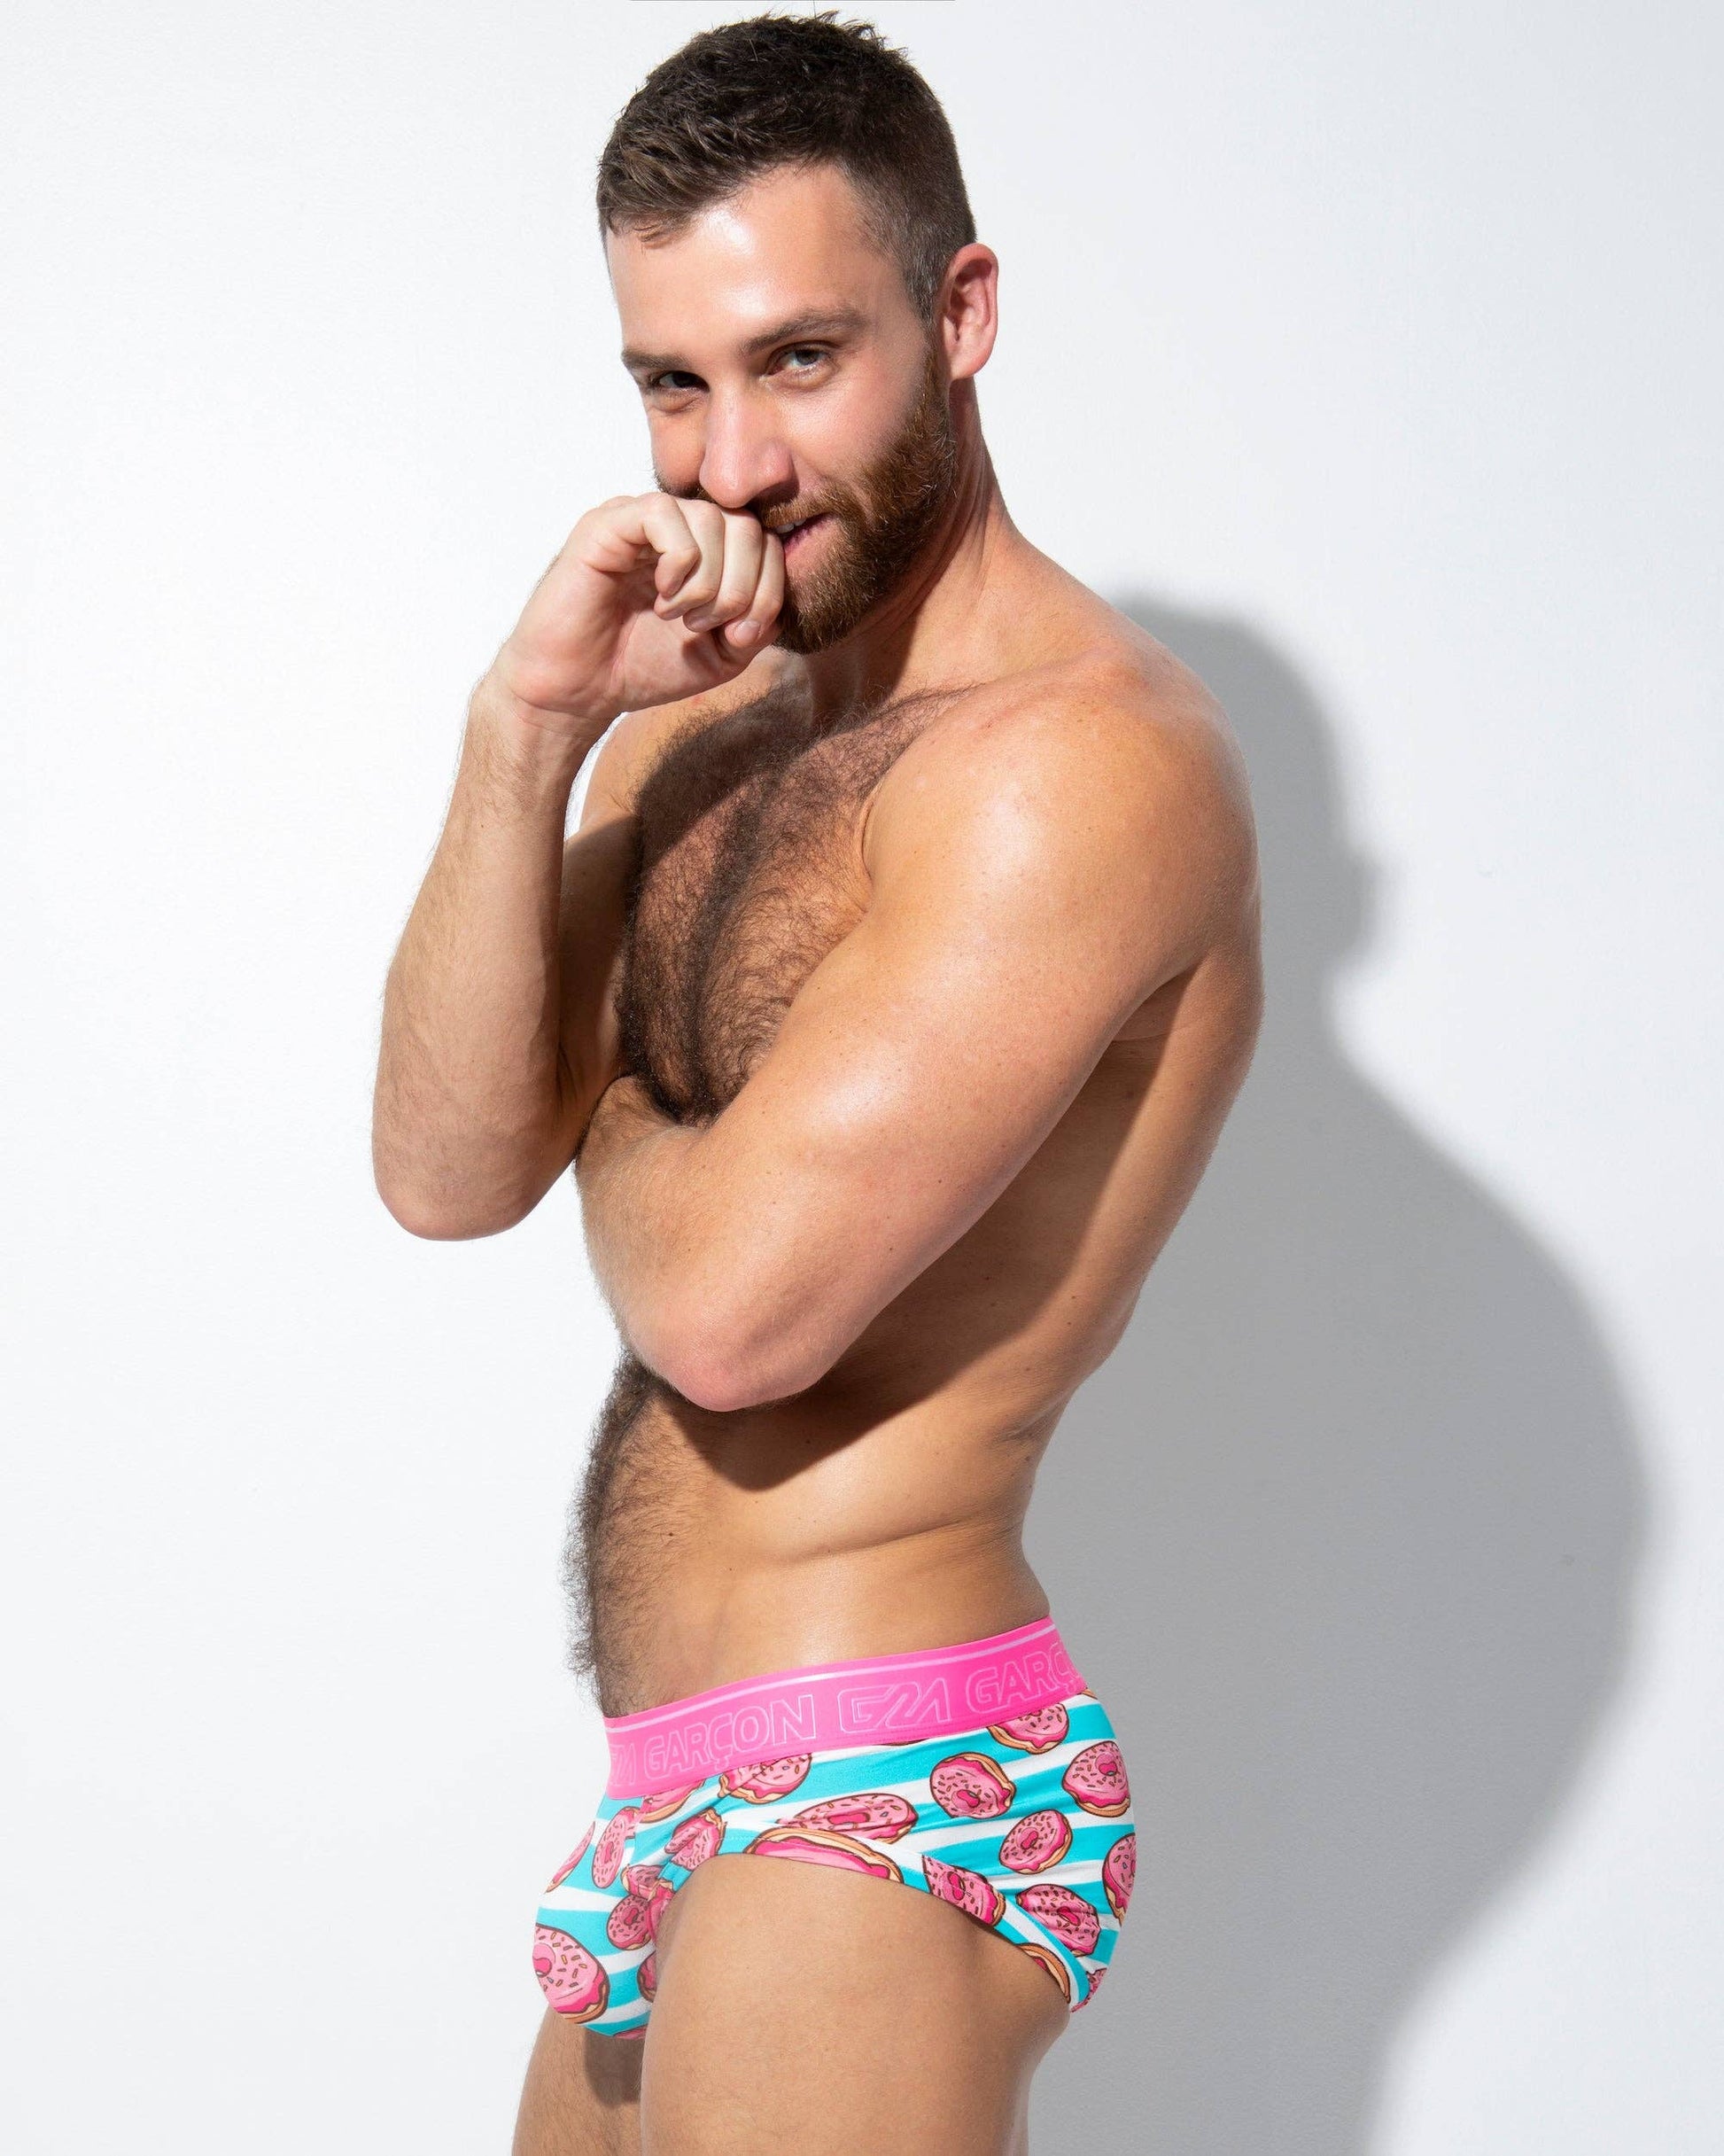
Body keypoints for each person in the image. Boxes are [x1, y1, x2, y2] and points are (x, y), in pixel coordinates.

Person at [372, 12, 1262, 2152]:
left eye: (796, 360)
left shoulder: (1078, 766)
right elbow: (442, 1165)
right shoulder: (703, 730)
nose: (732, 463)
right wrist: (530, 728)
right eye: (672, 383)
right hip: (669, 1801)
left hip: (882, 1789)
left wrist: (604, 1079)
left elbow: (727, 1315)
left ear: (960, 315)